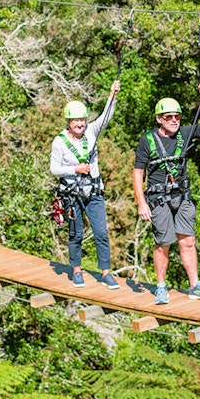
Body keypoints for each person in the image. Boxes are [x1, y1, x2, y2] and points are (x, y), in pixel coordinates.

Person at [132, 81, 200, 304]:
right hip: (159, 198)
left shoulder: (185, 134)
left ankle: (195, 286)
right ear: (159, 119)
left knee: (188, 241)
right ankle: (161, 287)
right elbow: (137, 173)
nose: (174, 120)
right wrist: (141, 203)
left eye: (177, 117)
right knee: (163, 243)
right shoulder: (148, 140)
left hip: (182, 197)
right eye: (169, 116)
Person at [50, 80, 120, 289]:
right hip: (72, 193)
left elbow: (106, 116)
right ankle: (76, 270)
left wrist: (112, 95)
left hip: (94, 192)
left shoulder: (91, 131)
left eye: (82, 120)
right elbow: (54, 169)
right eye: (76, 121)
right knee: (76, 233)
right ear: (68, 122)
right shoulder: (60, 142)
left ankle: (106, 272)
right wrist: (75, 169)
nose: (80, 124)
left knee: (101, 233)